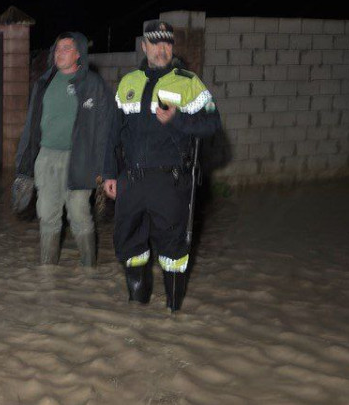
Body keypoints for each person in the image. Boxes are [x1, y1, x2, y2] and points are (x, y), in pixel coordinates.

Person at [102, 19, 221, 312]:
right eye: (155, 43)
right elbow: (112, 133)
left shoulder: (188, 81)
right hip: (130, 180)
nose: (162, 49)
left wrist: (177, 119)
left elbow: (212, 124)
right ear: (144, 46)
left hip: (169, 182)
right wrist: (108, 173)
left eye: (167, 43)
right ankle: (137, 311)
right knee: (130, 247)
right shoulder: (128, 82)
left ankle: (173, 315)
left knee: (173, 250)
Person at [12, 32, 114, 266]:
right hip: (46, 157)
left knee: (79, 215)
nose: (60, 53)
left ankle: (89, 269)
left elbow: (105, 130)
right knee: (47, 215)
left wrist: (105, 169)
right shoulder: (43, 82)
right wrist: (23, 165)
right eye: (57, 49)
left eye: (66, 48)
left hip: (80, 159)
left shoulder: (93, 84)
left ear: (79, 53)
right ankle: (48, 274)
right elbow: (30, 126)